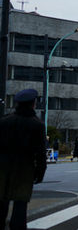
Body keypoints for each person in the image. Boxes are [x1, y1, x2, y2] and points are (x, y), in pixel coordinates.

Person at [0, 89, 47, 230]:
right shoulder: (37, 125)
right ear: (33, 104)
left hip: (2, 168)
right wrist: (40, 172)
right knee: (20, 205)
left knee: (2, 202)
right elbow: (40, 153)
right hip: (24, 169)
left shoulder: (4, 121)